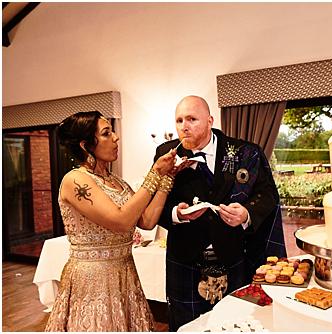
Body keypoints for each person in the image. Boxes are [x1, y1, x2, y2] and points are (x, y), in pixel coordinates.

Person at [46, 111, 189, 331]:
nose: (116, 138)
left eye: (112, 131)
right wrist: (154, 173)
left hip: (124, 273)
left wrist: (167, 178)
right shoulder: (75, 180)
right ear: (86, 145)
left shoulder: (117, 182)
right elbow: (121, 221)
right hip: (93, 279)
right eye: (106, 133)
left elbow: (147, 221)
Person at [155, 96, 286, 330]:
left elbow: (268, 196)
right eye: (179, 120)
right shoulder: (166, 154)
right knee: (188, 327)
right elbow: (153, 204)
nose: (184, 126)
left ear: (210, 121)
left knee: (234, 324)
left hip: (234, 254)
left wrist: (246, 214)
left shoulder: (247, 152)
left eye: (192, 119)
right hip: (185, 258)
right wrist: (176, 214)